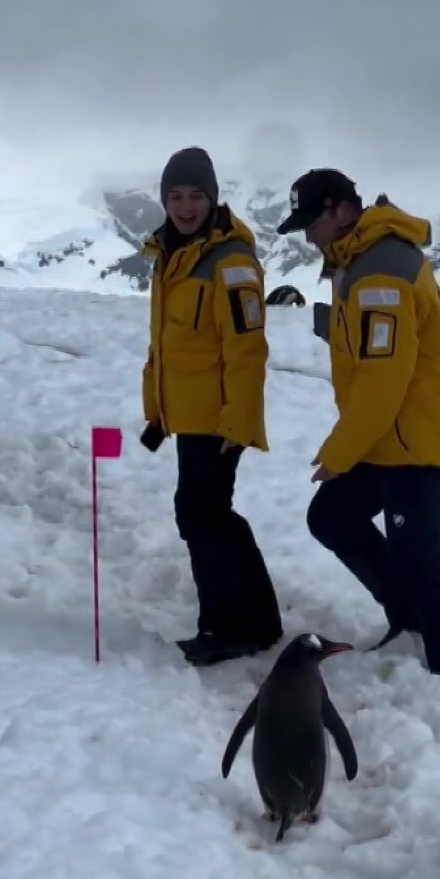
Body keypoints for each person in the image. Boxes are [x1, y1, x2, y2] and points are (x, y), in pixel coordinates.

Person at [273, 169, 440, 676]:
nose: (308, 234)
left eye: (312, 222)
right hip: (386, 436)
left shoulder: (380, 269)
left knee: (419, 556)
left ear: (341, 210)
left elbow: (386, 377)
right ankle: (409, 622)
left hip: (411, 438)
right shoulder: (357, 260)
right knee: (333, 517)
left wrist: (341, 452)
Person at [139, 147, 284, 667]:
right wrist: (158, 408)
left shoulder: (231, 263)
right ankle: (257, 621)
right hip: (189, 415)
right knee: (209, 515)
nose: (184, 206)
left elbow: (248, 351)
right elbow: (166, 343)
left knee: (202, 515)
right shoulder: (172, 255)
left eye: (194, 195)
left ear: (213, 198)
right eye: (175, 195)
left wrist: (239, 422)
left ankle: (228, 627)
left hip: (219, 419)